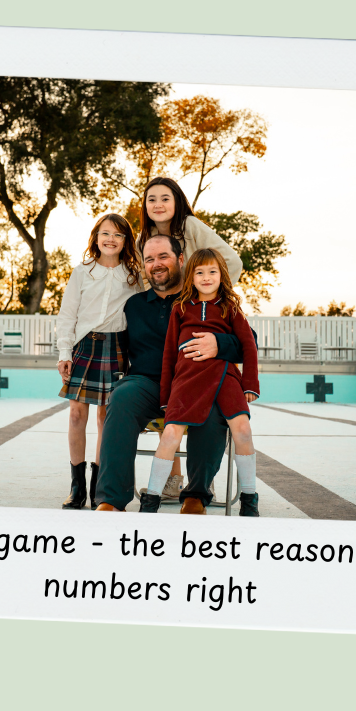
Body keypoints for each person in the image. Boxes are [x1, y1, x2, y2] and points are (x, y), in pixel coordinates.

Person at [94, 234, 252, 514]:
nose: (156, 264)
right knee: (120, 398)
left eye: (163, 256)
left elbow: (248, 340)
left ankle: (196, 494)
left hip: (195, 382)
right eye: (149, 259)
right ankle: (111, 499)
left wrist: (219, 344)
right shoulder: (134, 305)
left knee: (213, 407)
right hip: (147, 384)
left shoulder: (201, 297)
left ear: (180, 259)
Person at [135, 176, 245, 499]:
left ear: (176, 201)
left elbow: (233, 262)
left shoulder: (191, 227)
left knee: (204, 401)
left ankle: (202, 480)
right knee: (169, 391)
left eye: (165, 198)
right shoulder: (146, 238)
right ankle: (172, 479)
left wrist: (206, 296)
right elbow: (144, 280)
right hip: (165, 321)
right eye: (151, 198)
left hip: (196, 318)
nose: (158, 204)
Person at [140, 248, 260, 516]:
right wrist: (165, 397)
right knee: (171, 433)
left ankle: (250, 500)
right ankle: (151, 502)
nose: (207, 277)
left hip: (224, 376)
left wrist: (250, 384)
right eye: (200, 272)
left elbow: (248, 346)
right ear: (191, 277)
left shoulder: (230, 308)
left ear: (222, 275)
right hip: (187, 378)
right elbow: (169, 354)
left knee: (242, 430)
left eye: (212, 271)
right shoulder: (181, 309)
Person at [55, 213, 143, 510]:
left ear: (125, 241)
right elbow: (67, 315)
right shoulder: (82, 272)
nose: (110, 239)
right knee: (76, 416)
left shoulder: (134, 275)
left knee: (107, 418)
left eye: (118, 235)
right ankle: (76, 487)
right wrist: (64, 353)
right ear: (96, 237)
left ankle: (98, 486)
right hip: (84, 347)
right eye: (105, 233)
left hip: (116, 348)